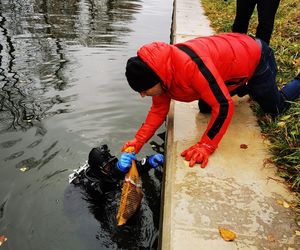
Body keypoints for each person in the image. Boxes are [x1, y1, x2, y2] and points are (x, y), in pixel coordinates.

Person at [122, 32, 300, 168]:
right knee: (205, 107)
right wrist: (138, 141)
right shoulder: (159, 72)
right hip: (232, 60)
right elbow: (158, 111)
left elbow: (223, 106)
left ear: (157, 80)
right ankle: (243, 86)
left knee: (275, 109)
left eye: (144, 90)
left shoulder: (190, 67)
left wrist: (206, 145)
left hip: (256, 56)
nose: (143, 95)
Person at [69, 144, 164, 195]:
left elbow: (132, 169)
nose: (111, 167)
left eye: (112, 163)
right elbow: (104, 187)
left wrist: (148, 162)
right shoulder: (90, 186)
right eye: (107, 167)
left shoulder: (112, 165)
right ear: (99, 170)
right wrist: (117, 171)